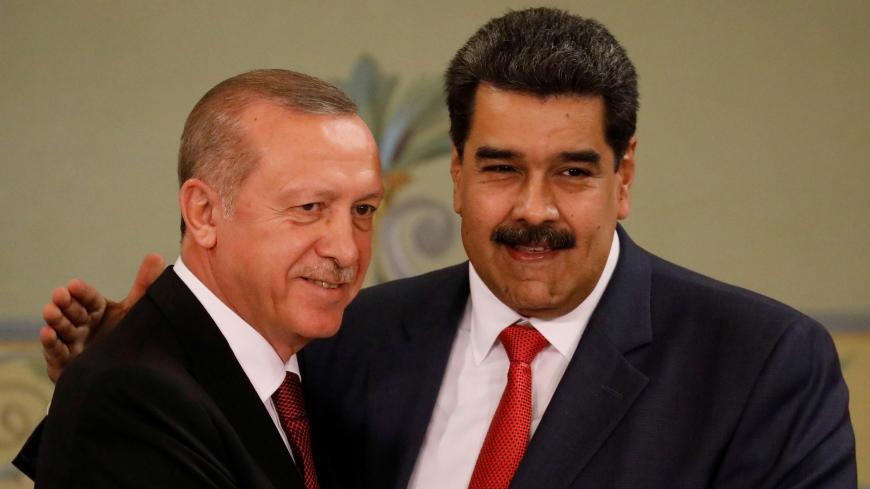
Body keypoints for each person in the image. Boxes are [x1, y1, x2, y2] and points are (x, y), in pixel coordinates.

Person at [18, 7, 856, 489]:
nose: (535, 210)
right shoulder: (350, 340)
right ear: (455, 173)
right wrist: (154, 352)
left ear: (623, 175)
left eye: (572, 170)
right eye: (500, 169)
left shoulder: (760, 363)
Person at [14, 69, 384, 489]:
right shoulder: (131, 395)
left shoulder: (324, 374)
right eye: (309, 207)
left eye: (363, 210)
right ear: (204, 213)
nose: (347, 250)